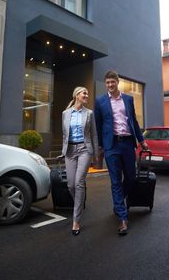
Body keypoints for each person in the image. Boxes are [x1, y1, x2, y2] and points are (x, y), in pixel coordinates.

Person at [94, 70, 148, 235]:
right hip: (111, 146)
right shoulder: (100, 101)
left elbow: (134, 121)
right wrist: (102, 146)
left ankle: (118, 203)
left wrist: (141, 140)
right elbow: (98, 124)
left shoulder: (128, 99)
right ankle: (123, 218)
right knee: (116, 181)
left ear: (117, 82)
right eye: (107, 82)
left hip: (127, 144)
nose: (110, 85)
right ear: (106, 84)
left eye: (112, 82)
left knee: (131, 178)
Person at [61, 86, 99, 235]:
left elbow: (94, 135)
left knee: (79, 182)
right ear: (77, 95)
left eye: (87, 93)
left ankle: (76, 220)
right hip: (70, 150)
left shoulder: (89, 113)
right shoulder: (65, 113)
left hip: (84, 149)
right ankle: (80, 200)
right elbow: (64, 135)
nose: (86, 95)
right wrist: (62, 152)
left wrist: (95, 155)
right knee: (71, 185)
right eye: (84, 93)